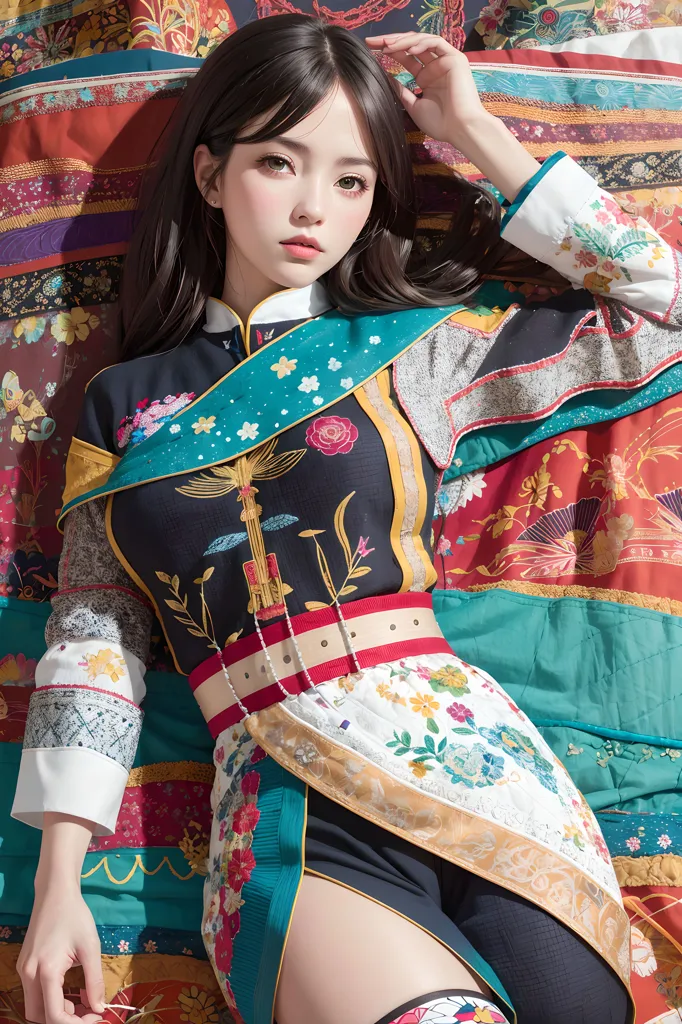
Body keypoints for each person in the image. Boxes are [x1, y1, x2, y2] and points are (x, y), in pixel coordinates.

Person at [11, 14, 681, 1024]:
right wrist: (57, 882)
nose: (313, 208)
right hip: (292, 807)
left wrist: (474, 130)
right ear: (207, 174)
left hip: (488, 785)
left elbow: (659, 304)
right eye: (280, 163)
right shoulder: (121, 404)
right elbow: (95, 640)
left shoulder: (420, 354)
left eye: (352, 180)